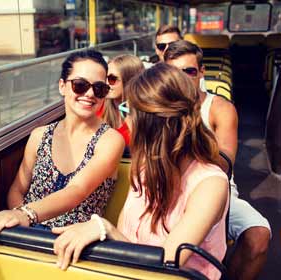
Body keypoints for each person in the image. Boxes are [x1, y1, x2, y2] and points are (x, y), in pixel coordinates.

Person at [52, 63, 229, 280]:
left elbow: (167, 264)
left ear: (151, 123)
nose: (125, 121)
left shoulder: (210, 185)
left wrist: (105, 228)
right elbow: (127, 240)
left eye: (128, 112)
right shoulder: (144, 168)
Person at [0, 50, 125, 235]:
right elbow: (17, 189)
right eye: (80, 85)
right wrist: (21, 222)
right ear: (62, 86)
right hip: (27, 235)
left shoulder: (110, 140)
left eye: (99, 88)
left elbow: (77, 190)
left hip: (73, 242)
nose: (90, 94)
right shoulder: (40, 136)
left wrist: (26, 215)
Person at [164, 40, 271, 280]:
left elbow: (224, 165)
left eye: (188, 72)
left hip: (215, 190)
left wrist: (189, 132)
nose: (180, 79)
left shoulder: (219, 108)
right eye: (172, 72)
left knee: (259, 234)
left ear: (202, 72)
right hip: (165, 186)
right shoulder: (155, 106)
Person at [100, 54, 144, 145]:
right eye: (104, 77)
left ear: (129, 80)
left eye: (112, 79)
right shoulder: (98, 107)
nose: (106, 83)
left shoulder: (145, 116)